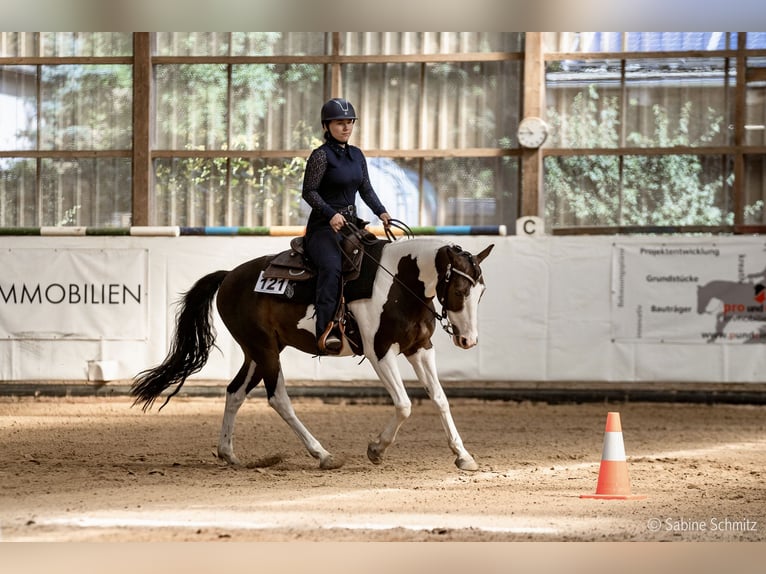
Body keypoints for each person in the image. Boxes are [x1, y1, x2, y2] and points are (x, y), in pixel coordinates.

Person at [301, 97, 392, 354]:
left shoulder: (356, 155)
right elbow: (309, 192)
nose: (346, 127)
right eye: (340, 123)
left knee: (378, 259)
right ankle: (326, 330)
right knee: (331, 268)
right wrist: (330, 214)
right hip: (323, 228)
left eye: (349, 122)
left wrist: (381, 211)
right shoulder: (320, 156)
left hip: (351, 225)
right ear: (327, 126)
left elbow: (365, 188)